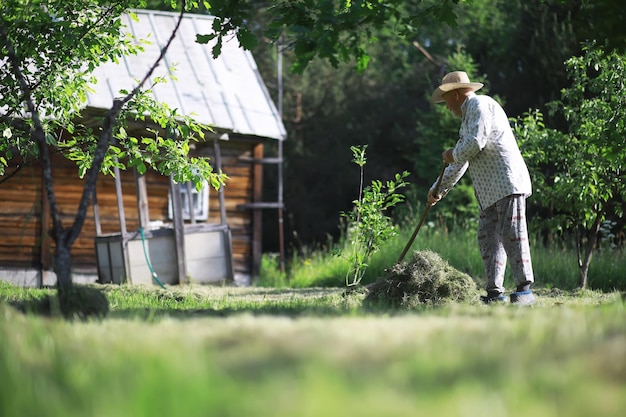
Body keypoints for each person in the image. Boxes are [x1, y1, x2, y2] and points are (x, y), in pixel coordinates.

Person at [427, 71, 536, 305]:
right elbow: (461, 161)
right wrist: (438, 189)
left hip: (507, 182)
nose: (446, 107)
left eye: (446, 100)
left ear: (455, 94)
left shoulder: (480, 104)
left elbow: (475, 144)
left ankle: (525, 291)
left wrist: (451, 154)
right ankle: (495, 294)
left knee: (513, 235)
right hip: (488, 192)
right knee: (488, 239)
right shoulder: (466, 119)